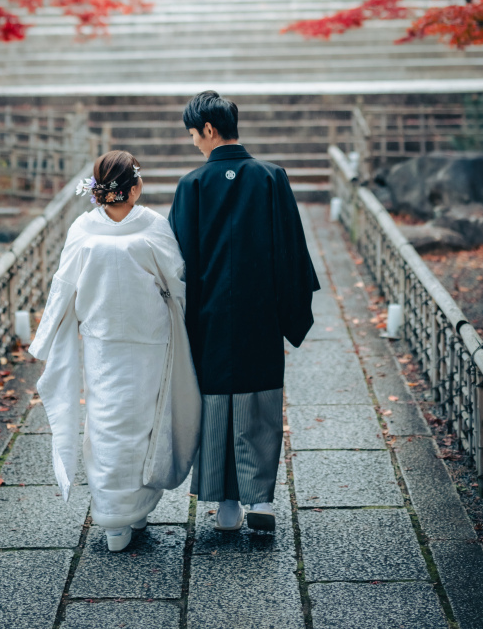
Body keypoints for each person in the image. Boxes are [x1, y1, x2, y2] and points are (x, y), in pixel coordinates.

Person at [29, 150, 201, 553]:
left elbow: (64, 284)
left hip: (103, 341)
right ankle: (130, 510)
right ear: (135, 188)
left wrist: (45, 336)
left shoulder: (83, 229)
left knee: (107, 422)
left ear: (98, 190)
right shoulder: (153, 225)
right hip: (148, 338)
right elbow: (177, 279)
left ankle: (117, 515)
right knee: (143, 422)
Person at [169, 91, 319, 533]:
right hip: (261, 313)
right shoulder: (272, 177)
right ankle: (262, 499)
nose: (194, 142)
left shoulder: (192, 185)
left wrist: (179, 317)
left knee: (215, 401)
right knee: (260, 398)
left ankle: (228, 504)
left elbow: (177, 262)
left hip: (210, 316)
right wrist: (290, 311)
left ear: (209, 130)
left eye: (194, 134)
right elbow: (292, 251)